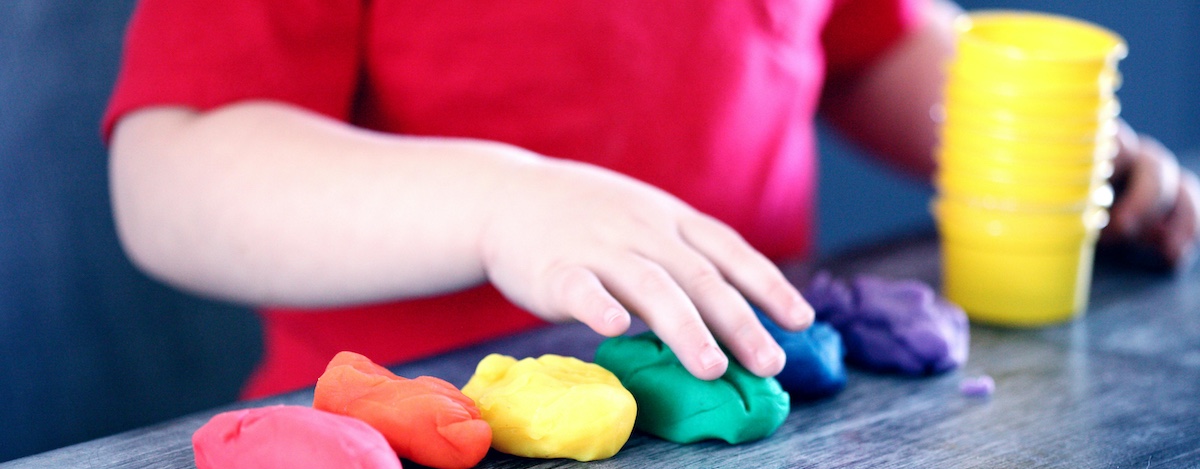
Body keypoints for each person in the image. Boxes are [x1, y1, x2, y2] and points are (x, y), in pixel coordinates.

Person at [104, 0, 1199, 399]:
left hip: (754, 437)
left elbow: (867, 48)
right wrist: (501, 206)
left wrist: (1051, 149)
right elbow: (174, 170)